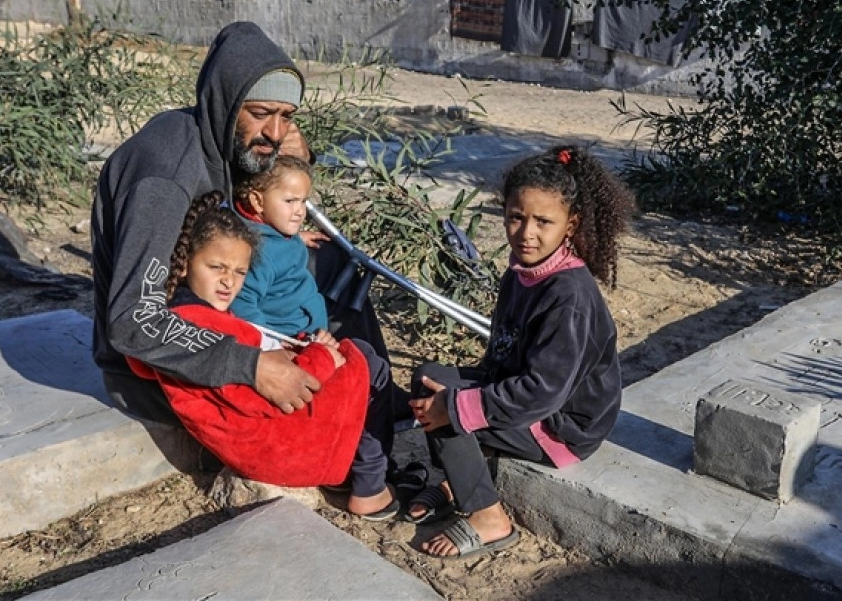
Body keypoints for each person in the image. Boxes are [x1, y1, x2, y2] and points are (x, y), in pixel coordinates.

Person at [91, 20, 389, 430]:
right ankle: (358, 431)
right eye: (262, 113)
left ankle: (377, 399)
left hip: (213, 308)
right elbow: (132, 321)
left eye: (287, 116)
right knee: (314, 395)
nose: (276, 131)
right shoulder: (165, 178)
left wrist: (293, 160)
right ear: (227, 102)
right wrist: (253, 366)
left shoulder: (219, 139)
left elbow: (252, 197)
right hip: (150, 372)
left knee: (331, 262)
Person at [405, 145, 635, 558]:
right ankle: (457, 479)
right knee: (429, 379)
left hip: (561, 425)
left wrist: (458, 408)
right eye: (516, 217)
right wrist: (458, 397)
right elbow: (501, 354)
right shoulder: (521, 271)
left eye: (543, 221)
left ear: (571, 225)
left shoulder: (569, 296)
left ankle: (487, 515)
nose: (526, 233)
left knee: (448, 408)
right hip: (524, 399)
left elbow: (543, 391)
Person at [124, 192, 397, 517]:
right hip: (277, 448)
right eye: (216, 267)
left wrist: (305, 350)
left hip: (262, 438)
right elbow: (260, 397)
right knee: (363, 364)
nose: (229, 281)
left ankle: (360, 466)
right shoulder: (202, 325)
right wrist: (321, 359)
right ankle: (369, 484)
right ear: (183, 265)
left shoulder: (181, 320)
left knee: (356, 359)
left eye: (240, 272)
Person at [228, 157, 403, 512]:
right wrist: (281, 352)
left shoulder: (272, 235)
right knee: (371, 375)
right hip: (297, 348)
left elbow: (276, 246)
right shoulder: (257, 252)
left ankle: (356, 469)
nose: (299, 212)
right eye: (290, 202)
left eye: (304, 202)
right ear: (257, 201)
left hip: (309, 340)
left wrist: (294, 240)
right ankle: (370, 485)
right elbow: (246, 312)